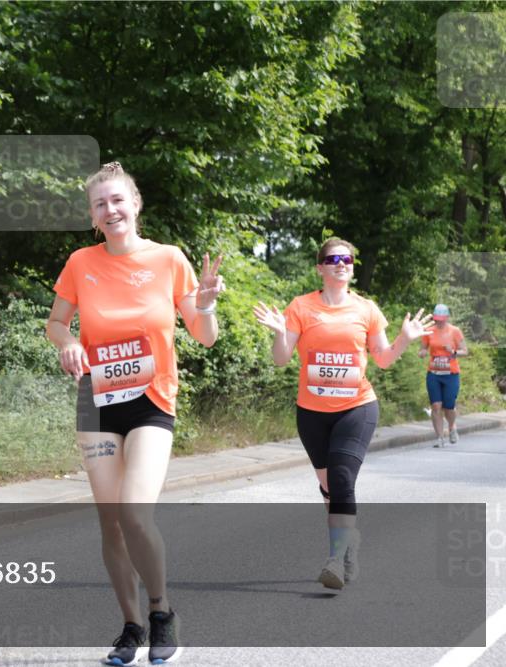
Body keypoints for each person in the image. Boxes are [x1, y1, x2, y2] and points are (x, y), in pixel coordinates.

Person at [46, 162, 223, 665]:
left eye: (118, 200)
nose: (110, 209)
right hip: (97, 400)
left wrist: (205, 306)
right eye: (100, 204)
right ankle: (130, 626)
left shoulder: (169, 259)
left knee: (133, 512)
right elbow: (56, 322)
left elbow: (204, 336)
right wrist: (69, 341)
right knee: (111, 523)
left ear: (135, 204)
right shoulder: (81, 262)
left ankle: (162, 611)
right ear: (92, 215)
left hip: (150, 400)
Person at [253, 238, 432, 591]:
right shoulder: (301, 307)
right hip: (312, 412)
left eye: (346, 259)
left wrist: (404, 339)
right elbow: (281, 358)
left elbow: (382, 358)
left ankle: (335, 557)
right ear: (320, 267)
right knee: (328, 486)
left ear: (352, 267)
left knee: (342, 480)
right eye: (332, 259)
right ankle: (347, 542)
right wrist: (278, 334)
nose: (340, 264)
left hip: (357, 407)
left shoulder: (366, 309)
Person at [419, 304, 468, 447]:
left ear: (447, 318)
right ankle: (439, 438)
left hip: (451, 374)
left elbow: (465, 351)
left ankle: (452, 427)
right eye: (437, 319)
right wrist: (422, 353)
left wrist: (453, 351)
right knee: (435, 406)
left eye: (441, 319)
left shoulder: (455, 331)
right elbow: (422, 349)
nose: (439, 322)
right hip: (434, 373)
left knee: (449, 407)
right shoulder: (428, 331)